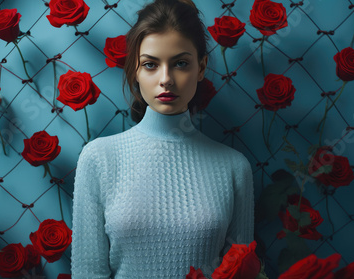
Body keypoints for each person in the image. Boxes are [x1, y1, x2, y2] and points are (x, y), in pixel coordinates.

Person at [71, 0, 254, 277]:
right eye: (151, 65)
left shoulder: (233, 167)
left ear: (201, 67)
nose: (166, 79)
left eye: (180, 63)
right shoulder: (99, 158)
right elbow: (88, 273)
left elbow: (239, 273)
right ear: (135, 69)